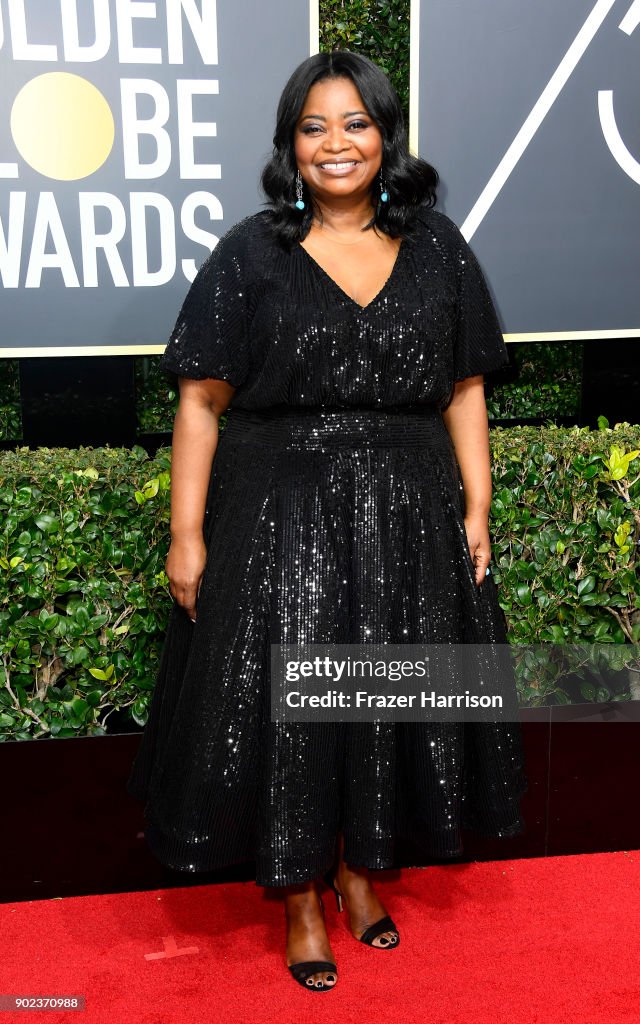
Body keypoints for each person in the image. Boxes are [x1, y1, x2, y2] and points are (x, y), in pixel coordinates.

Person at [127, 50, 528, 993]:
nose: (336, 143)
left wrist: (476, 506)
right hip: (280, 509)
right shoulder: (251, 252)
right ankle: (300, 895)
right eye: (314, 126)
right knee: (292, 704)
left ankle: (357, 871)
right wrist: (187, 535)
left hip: (411, 511)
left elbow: (465, 385)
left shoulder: (435, 246)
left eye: (355, 123)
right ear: (290, 143)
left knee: (378, 696)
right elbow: (198, 402)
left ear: (385, 136)